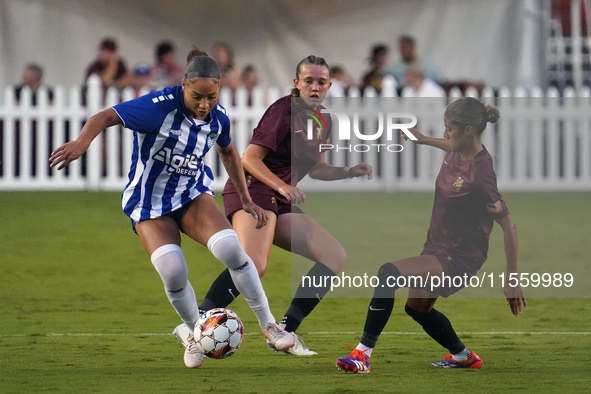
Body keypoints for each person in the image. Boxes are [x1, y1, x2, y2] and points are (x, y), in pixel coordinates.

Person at [49, 46, 295, 369]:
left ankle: (269, 326)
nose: (205, 104)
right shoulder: (157, 108)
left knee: (233, 250)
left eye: (212, 96)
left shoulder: (217, 118)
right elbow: (105, 116)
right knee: (173, 271)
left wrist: (247, 199)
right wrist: (82, 142)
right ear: (184, 85)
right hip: (149, 204)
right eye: (198, 96)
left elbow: (229, 152)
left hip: (191, 195)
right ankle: (195, 333)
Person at [198, 55, 373, 356]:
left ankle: (286, 329)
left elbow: (318, 169)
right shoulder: (283, 110)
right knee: (254, 264)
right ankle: (196, 322)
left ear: (330, 85)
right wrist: (283, 186)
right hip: (253, 192)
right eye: (308, 81)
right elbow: (248, 159)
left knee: (334, 256)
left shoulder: (324, 121)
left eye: (321, 82)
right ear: (297, 83)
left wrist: (347, 171)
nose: (315, 87)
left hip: (281, 198)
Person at [335, 97, 526, 373]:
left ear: (468, 130)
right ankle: (463, 357)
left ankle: (362, 354)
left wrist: (511, 277)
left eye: (450, 128)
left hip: (460, 257)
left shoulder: (481, 176)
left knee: (388, 273)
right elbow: (448, 145)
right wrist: (423, 139)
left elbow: (509, 226)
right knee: (417, 309)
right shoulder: (458, 149)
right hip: (437, 246)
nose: (446, 133)